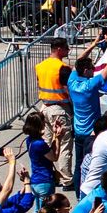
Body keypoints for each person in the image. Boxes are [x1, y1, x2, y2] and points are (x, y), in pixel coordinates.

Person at [68, 36, 107, 192]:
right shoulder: (90, 85)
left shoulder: (72, 81)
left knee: (78, 163)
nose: (94, 70)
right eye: (92, 69)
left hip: (78, 131)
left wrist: (93, 44)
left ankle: (77, 191)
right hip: (91, 133)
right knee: (91, 164)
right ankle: (87, 192)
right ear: (86, 71)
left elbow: (79, 61)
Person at [34, 39, 74, 188]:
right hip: (60, 109)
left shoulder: (40, 66)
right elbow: (67, 90)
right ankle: (66, 179)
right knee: (64, 145)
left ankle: (50, 174)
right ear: (58, 49)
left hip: (44, 108)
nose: (68, 51)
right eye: (66, 48)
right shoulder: (63, 68)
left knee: (46, 144)